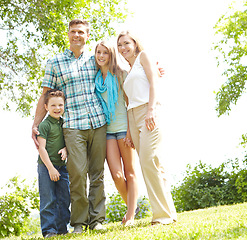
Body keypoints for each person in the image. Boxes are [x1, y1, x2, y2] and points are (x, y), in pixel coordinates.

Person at [32, 19, 107, 233]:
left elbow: (117, 71)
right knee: (77, 174)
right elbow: (46, 94)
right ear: (68, 34)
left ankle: (97, 220)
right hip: (73, 125)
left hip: (98, 121)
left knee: (97, 173)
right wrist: (36, 123)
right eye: (73, 31)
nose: (77, 35)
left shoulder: (95, 59)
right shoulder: (54, 62)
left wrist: (151, 68)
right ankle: (79, 222)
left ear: (87, 36)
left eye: (81, 32)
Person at [117, 30, 177, 225]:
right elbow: (128, 102)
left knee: (149, 161)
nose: (123, 48)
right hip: (133, 116)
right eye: (120, 45)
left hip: (148, 111)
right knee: (154, 164)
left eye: (126, 43)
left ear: (135, 43)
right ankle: (168, 213)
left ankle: (162, 216)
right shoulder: (127, 70)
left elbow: (154, 82)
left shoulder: (144, 56)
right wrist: (128, 130)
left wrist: (151, 109)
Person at [94, 40, 139, 226]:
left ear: (111, 54)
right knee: (117, 175)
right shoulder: (95, 79)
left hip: (123, 128)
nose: (102, 56)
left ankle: (130, 215)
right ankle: (132, 204)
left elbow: (130, 103)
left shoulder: (121, 75)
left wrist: (130, 130)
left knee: (130, 173)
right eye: (98, 52)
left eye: (105, 52)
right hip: (107, 131)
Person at [37, 89, 70, 238]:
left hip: (62, 167)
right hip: (46, 167)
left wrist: (65, 149)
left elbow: (68, 142)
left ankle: (62, 229)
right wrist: (50, 168)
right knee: (48, 198)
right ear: (46, 107)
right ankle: (49, 230)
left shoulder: (65, 123)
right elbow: (41, 149)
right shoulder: (44, 125)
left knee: (64, 198)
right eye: (53, 106)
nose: (57, 108)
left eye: (60, 105)